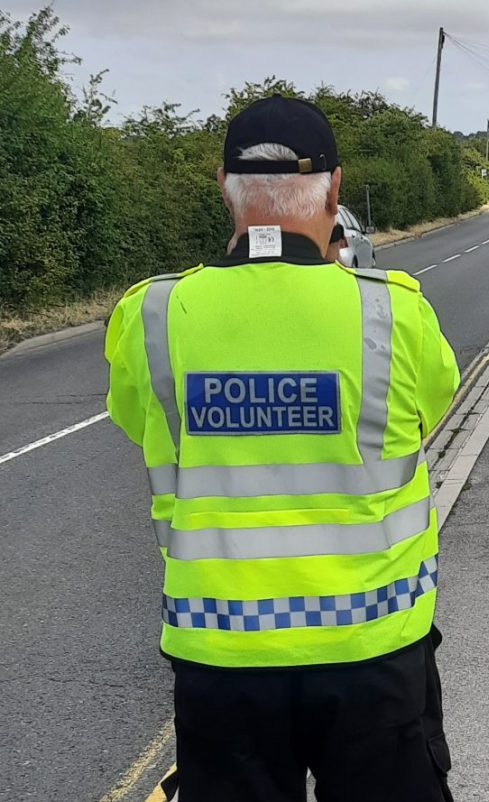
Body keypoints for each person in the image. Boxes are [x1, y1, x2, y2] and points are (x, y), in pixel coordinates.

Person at [105, 95, 460, 802]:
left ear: (222, 187)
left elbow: (137, 421)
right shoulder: (393, 308)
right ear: (334, 187)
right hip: (375, 650)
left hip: (220, 656)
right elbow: (426, 416)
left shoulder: (148, 314)